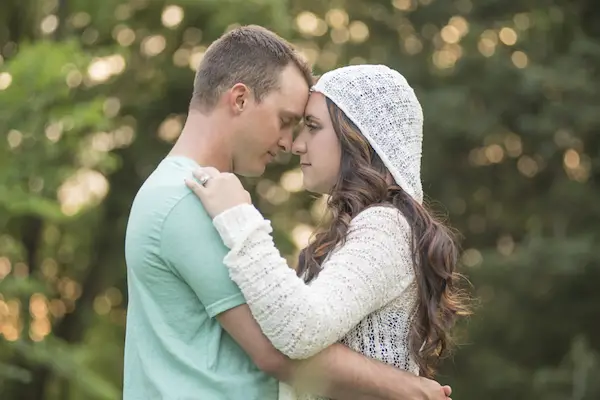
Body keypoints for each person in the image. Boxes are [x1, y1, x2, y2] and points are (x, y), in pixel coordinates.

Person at [124, 25, 452, 400]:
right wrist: (408, 387)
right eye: (287, 121)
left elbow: (291, 324)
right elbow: (276, 349)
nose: (290, 143)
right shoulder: (191, 198)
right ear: (241, 100)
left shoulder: (188, 192)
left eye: (307, 126)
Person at [185, 64, 470, 400]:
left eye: (313, 127)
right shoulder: (364, 228)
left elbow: (300, 329)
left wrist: (239, 217)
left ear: (359, 137)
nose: (296, 145)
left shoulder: (385, 226)